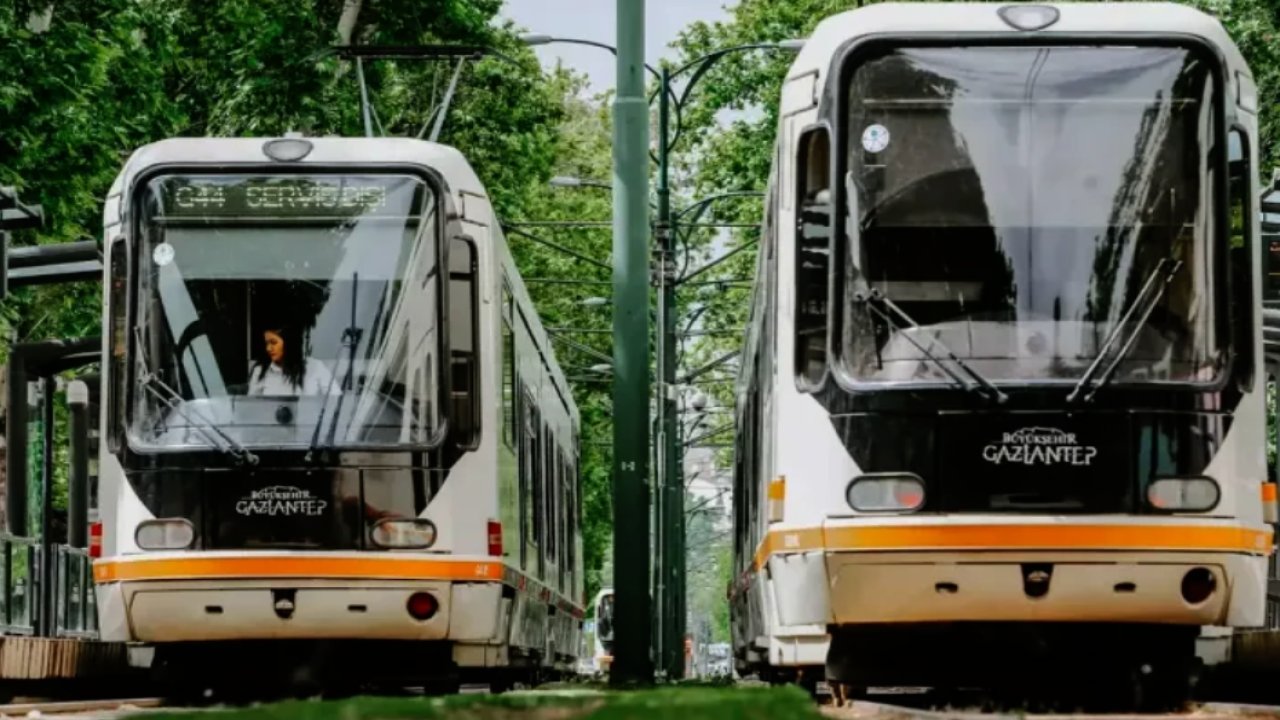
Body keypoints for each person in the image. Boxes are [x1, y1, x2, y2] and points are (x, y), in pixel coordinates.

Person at [247, 325, 338, 396]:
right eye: (266, 343)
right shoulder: (260, 371)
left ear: (289, 343)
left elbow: (336, 400)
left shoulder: (315, 367)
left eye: (273, 342)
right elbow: (252, 408)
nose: (268, 348)